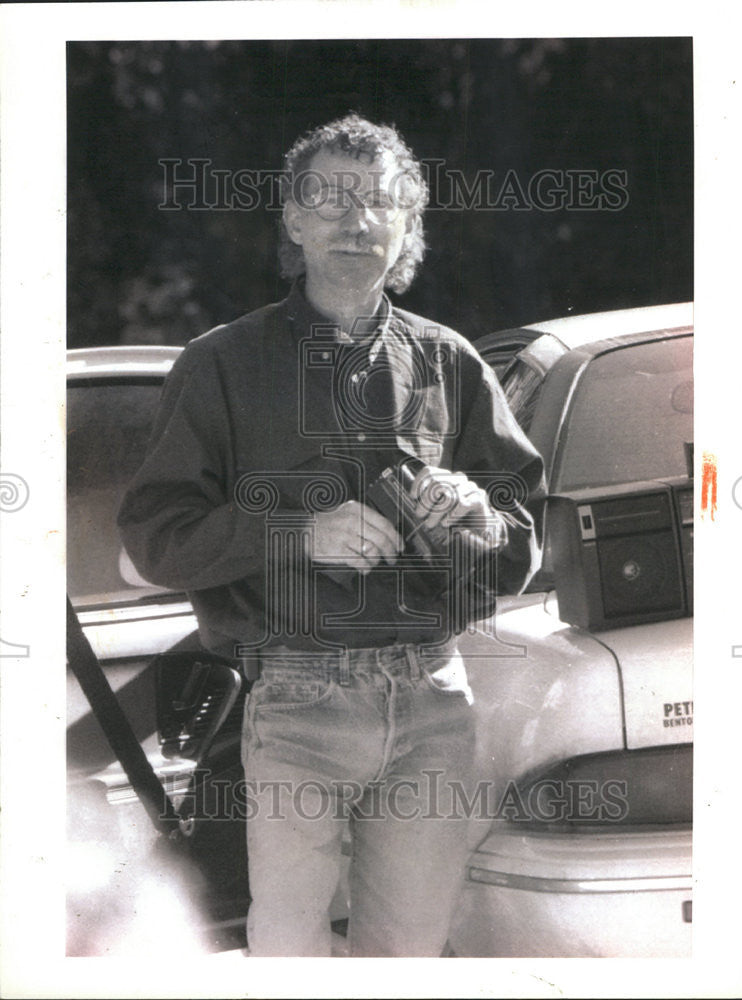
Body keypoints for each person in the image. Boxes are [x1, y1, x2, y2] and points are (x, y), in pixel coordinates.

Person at [118, 114, 545, 957]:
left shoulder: (450, 362)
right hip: (296, 700)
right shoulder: (219, 365)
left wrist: (474, 519)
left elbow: (520, 550)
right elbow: (157, 539)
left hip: (432, 698)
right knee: (287, 952)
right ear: (294, 220)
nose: (357, 221)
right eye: (332, 199)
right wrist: (293, 533)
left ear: (407, 226)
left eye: (380, 203)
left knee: (409, 952)